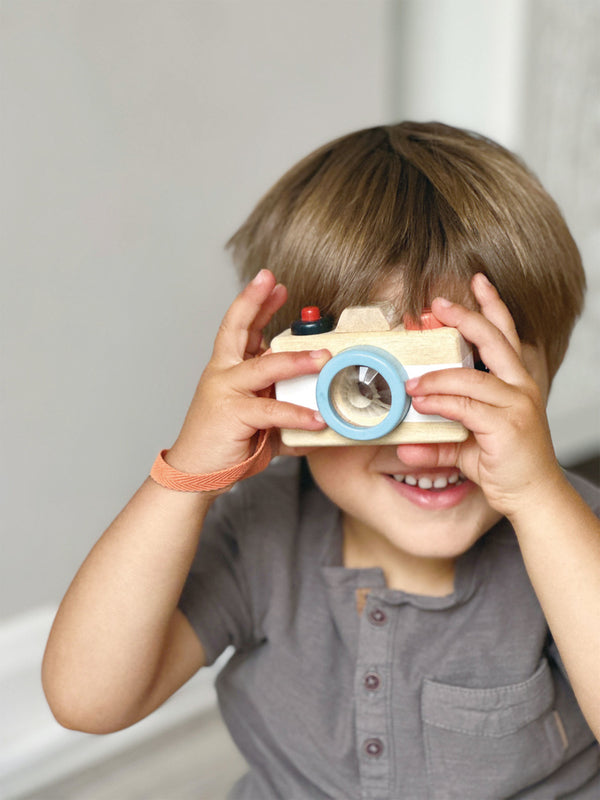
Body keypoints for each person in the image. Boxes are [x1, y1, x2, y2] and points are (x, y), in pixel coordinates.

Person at [42, 122, 600, 799]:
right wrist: (187, 476)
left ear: (548, 374)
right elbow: (87, 699)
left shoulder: (574, 535)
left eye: (473, 378)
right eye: (370, 389)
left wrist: (541, 504)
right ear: (284, 377)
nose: (425, 443)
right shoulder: (261, 530)